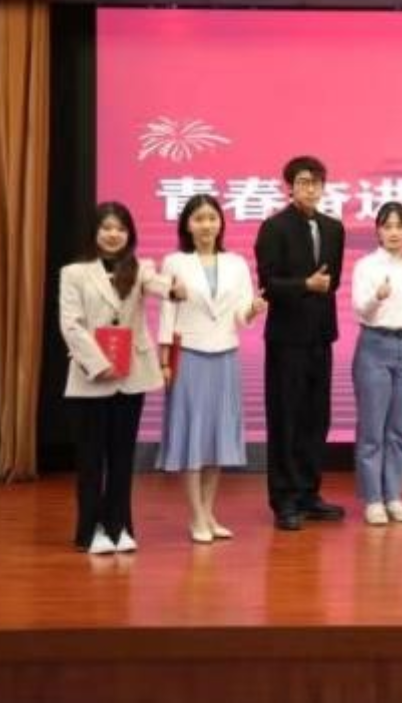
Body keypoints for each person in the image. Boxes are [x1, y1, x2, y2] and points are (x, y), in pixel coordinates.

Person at [59, 201, 183, 553]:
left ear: (130, 234)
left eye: (120, 229)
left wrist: (174, 289)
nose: (113, 234)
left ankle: (119, 527)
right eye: (107, 228)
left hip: (131, 376)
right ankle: (90, 531)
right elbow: (71, 325)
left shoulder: (140, 268)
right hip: (91, 377)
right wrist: (100, 364)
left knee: (122, 457)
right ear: (95, 232)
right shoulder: (74, 273)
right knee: (91, 460)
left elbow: (159, 285)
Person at [157, 194, 265, 544]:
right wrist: (163, 361)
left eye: (212, 218)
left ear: (221, 223)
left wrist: (253, 310)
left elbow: (240, 315)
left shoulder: (236, 263)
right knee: (192, 436)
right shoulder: (175, 261)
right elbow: (167, 313)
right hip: (188, 354)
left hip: (225, 355)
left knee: (218, 436)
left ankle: (207, 512)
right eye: (199, 219)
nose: (206, 225)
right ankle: (196, 516)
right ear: (187, 225)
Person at [254, 155, 346, 531]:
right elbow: (268, 283)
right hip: (286, 339)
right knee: (286, 417)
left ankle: (309, 492)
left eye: (317, 182)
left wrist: (318, 287)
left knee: (316, 418)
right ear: (290, 187)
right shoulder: (274, 227)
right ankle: (285, 499)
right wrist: (305, 285)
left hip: (321, 337)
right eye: (303, 182)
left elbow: (333, 281)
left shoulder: (334, 228)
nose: (310, 188)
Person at [351, 202, 402, 526]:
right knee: (372, 429)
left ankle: (395, 495)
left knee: (399, 429)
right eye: (388, 226)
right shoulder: (366, 266)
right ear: (378, 231)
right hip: (375, 344)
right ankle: (373, 499)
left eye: (400, 226)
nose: (394, 232)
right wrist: (378, 296)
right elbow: (360, 310)